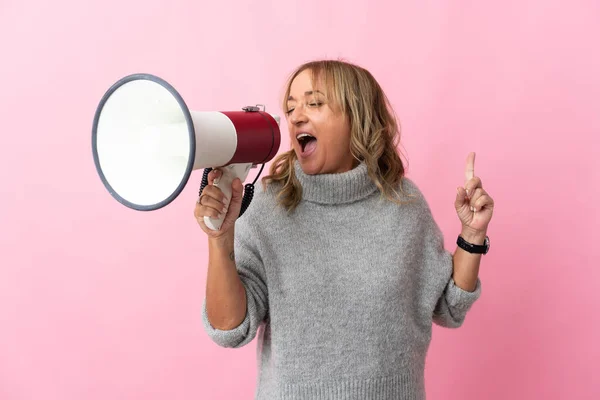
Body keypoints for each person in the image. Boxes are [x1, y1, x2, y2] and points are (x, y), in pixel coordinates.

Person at [194, 59, 494, 399]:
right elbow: (229, 329)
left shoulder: (403, 204)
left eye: (314, 103)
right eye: (291, 108)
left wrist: (472, 236)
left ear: (357, 116)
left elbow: (448, 307)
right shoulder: (268, 206)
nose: (296, 116)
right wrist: (220, 240)